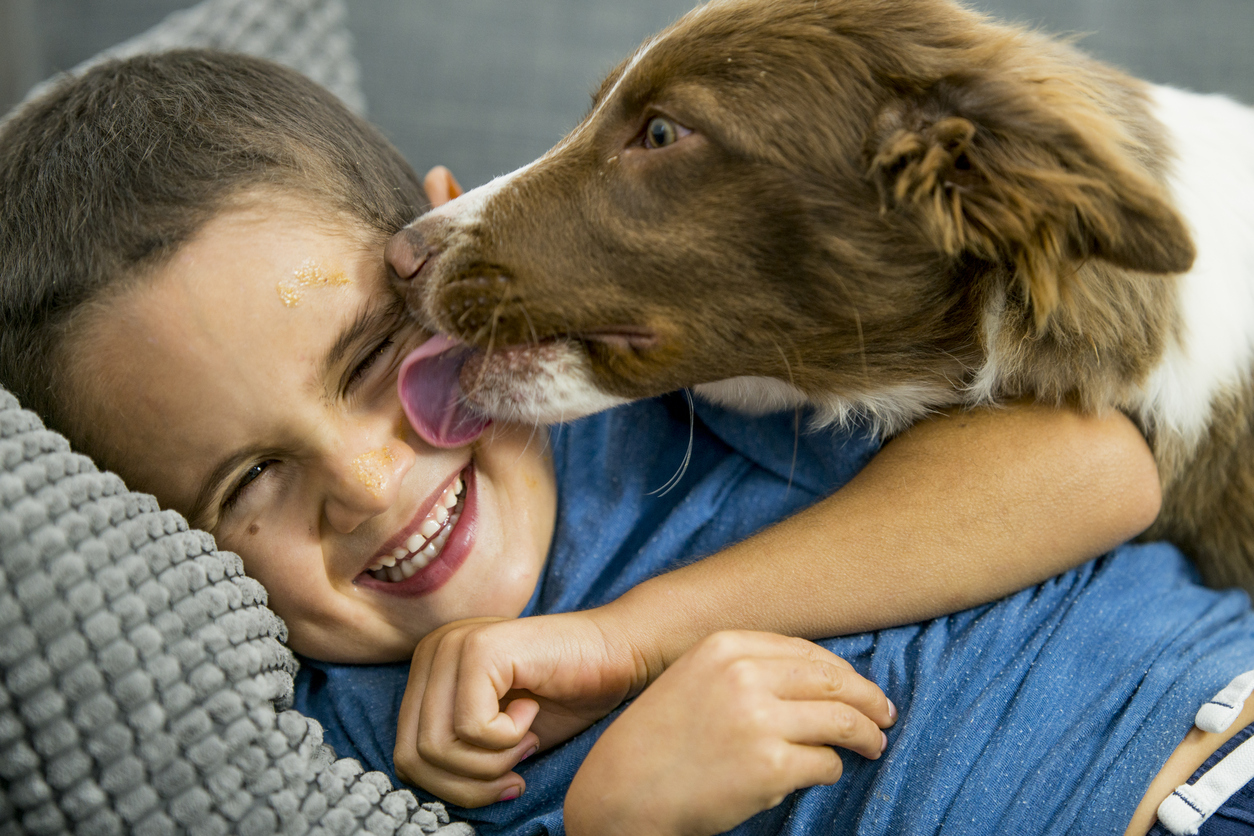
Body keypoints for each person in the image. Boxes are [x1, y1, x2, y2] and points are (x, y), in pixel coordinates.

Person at [2, 49, 1251, 836]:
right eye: (249, 479)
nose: (370, 481)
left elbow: (1100, 469)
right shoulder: (354, 741)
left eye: (376, 360)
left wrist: (630, 633)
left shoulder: (663, 386)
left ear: (439, 258)